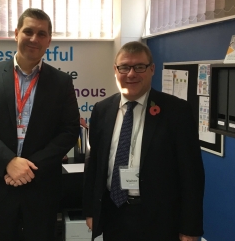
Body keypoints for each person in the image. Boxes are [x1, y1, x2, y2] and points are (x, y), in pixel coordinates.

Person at [0, 8, 80, 241]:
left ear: (49, 40)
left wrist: (28, 167)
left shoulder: (61, 82)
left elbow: (69, 131)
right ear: (16, 33)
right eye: (28, 31)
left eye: (41, 33)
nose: (34, 39)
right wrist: (8, 162)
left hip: (41, 186)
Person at [83, 41, 204, 241]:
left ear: (152, 69)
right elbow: (93, 163)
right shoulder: (101, 110)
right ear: (115, 70)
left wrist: (190, 227)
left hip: (160, 219)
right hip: (114, 213)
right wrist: (90, 210)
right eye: (124, 67)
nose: (131, 74)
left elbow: (191, 174)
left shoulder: (177, 111)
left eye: (139, 67)